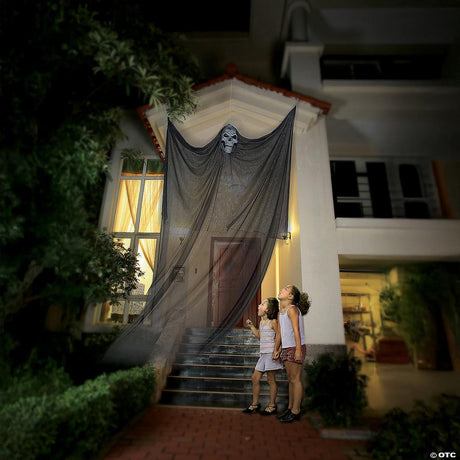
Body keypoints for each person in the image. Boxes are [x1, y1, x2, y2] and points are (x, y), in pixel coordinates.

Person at [273, 285, 311, 423]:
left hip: (295, 347)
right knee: (290, 379)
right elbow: (279, 333)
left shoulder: (293, 310)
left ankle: (296, 411)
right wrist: (276, 349)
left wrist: (298, 350)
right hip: (287, 347)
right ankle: (290, 408)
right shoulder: (281, 312)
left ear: (290, 296)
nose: (282, 290)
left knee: (295, 379)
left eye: (285, 289)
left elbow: (296, 331)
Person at [242, 297, 283, 415]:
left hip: (271, 354)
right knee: (255, 378)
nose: (259, 306)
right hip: (263, 355)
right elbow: (259, 336)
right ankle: (255, 404)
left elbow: (280, 336)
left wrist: (278, 350)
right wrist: (252, 326)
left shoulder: (273, 322)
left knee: (271, 379)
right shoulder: (261, 322)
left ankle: (272, 405)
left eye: (262, 304)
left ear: (267, 310)